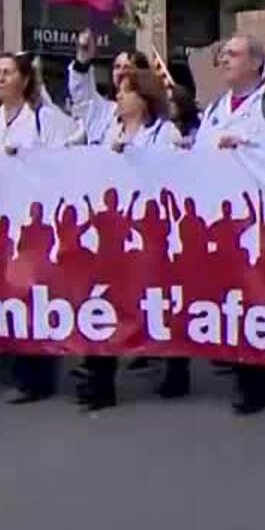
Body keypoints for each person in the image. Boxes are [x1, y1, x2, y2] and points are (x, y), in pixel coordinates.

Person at [192, 34, 265, 414]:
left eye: (233, 54)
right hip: (223, 221)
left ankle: (261, 381)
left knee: (262, 297)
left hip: (263, 221)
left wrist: (245, 148)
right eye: (222, 54)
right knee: (236, 300)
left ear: (257, 63)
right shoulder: (212, 111)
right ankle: (250, 372)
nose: (224, 59)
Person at [72, 70, 190, 411]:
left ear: (144, 98)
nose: (119, 98)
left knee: (157, 302)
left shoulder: (164, 133)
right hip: (113, 234)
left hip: (150, 232)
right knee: (102, 301)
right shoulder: (109, 131)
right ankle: (98, 379)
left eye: (126, 92)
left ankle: (175, 366)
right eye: (118, 93)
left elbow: (174, 176)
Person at [0, 53, 75, 403]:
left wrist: (29, 155)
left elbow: (70, 154)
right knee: (9, 296)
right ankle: (17, 367)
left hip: (33, 223)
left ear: (24, 80)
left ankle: (38, 378)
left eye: (7, 72)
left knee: (34, 297)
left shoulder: (44, 119)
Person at [0, 54, 76, 155]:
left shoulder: (42, 117)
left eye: (7, 73)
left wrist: (23, 155)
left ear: (25, 80)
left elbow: (59, 158)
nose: (1, 79)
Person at [67, 30, 155, 145]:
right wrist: (83, 59)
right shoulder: (103, 112)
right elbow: (81, 94)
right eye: (117, 67)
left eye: (127, 67)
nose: (121, 72)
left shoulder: (154, 122)